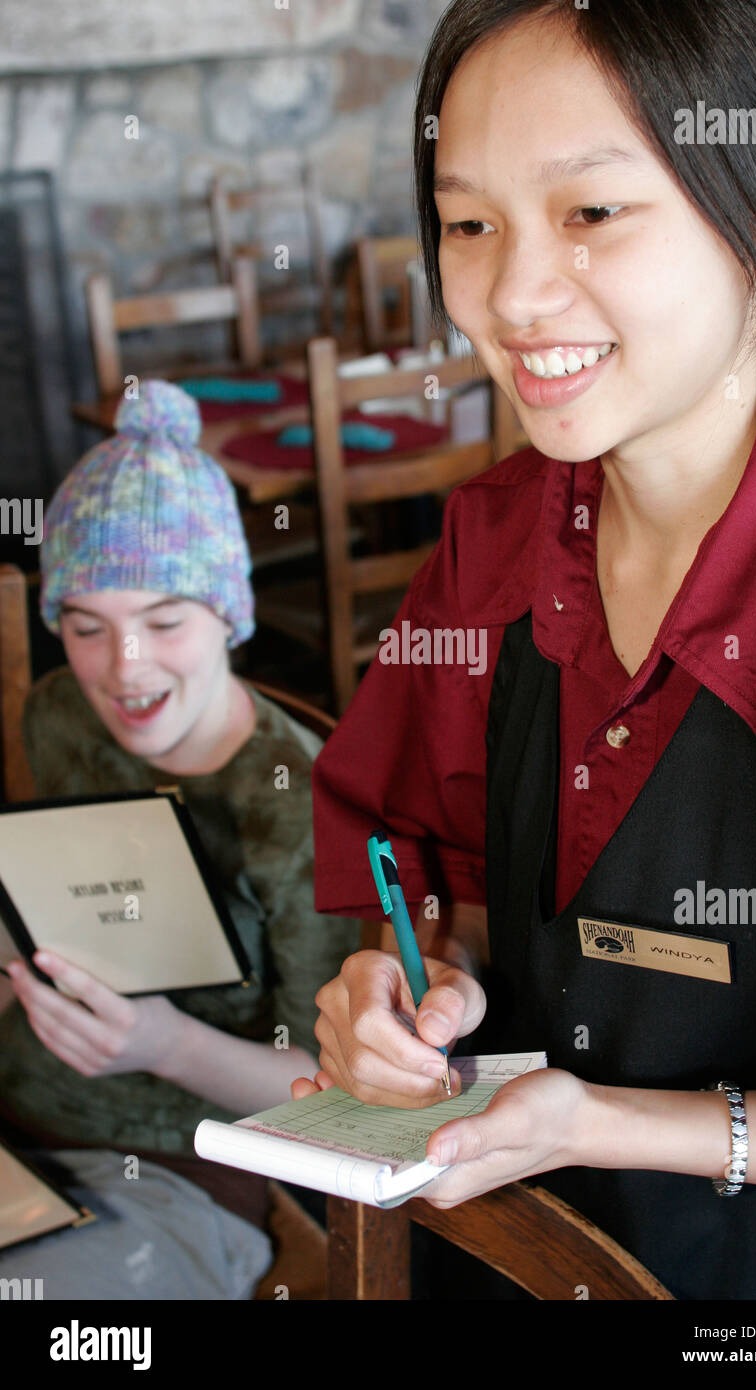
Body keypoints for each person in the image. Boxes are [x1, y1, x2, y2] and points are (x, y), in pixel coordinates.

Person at [302, 0, 756, 1300]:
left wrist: (596, 1121)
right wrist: (403, 980)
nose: (507, 294)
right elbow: (414, 857)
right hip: (496, 1244)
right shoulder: (493, 537)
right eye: (467, 221)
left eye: (590, 212)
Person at [0, 380, 359, 1299]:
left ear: (228, 618)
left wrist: (163, 1045)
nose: (124, 669)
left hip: (186, 1168)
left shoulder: (299, 806)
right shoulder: (54, 715)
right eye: (85, 627)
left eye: (164, 622)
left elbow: (340, 1094)